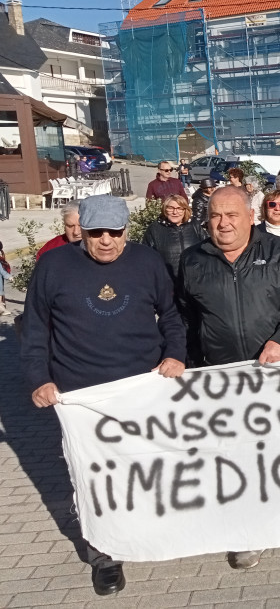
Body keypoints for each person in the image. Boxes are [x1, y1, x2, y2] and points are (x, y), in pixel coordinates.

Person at [21, 195, 186, 596]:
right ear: (82, 232)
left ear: (127, 231)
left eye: (116, 232)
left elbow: (170, 316)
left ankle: (149, 533)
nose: (107, 241)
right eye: (97, 233)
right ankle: (104, 555)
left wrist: (175, 355)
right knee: (93, 477)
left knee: (145, 466)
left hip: (141, 388)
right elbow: (35, 328)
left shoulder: (147, 262)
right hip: (83, 395)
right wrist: (38, 379)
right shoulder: (53, 265)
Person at [179, 186, 280, 569]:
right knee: (237, 455)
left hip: (275, 372)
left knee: (277, 448)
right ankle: (248, 531)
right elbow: (184, 317)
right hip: (222, 378)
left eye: (231, 215)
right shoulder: (193, 260)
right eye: (214, 216)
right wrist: (187, 365)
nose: (222, 224)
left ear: (251, 216)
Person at [142, 194, 207, 281]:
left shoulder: (194, 226)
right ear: (165, 209)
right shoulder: (155, 229)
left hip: (195, 282)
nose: (175, 212)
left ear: (185, 210)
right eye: (171, 208)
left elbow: (207, 249)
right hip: (168, 283)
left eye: (179, 208)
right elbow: (146, 258)